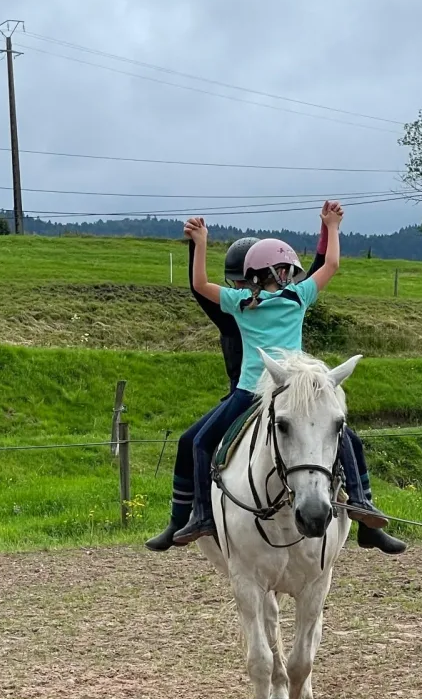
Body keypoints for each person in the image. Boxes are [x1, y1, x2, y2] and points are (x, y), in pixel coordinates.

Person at [147, 202, 405, 553]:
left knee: (198, 442)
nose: (287, 277)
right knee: (348, 440)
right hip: (261, 391)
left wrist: (201, 242)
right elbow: (331, 264)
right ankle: (362, 507)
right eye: (281, 272)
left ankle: (194, 518)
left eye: (288, 271)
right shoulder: (291, 298)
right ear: (264, 274)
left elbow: (199, 283)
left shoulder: (244, 303)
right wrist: (332, 227)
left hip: (271, 391)